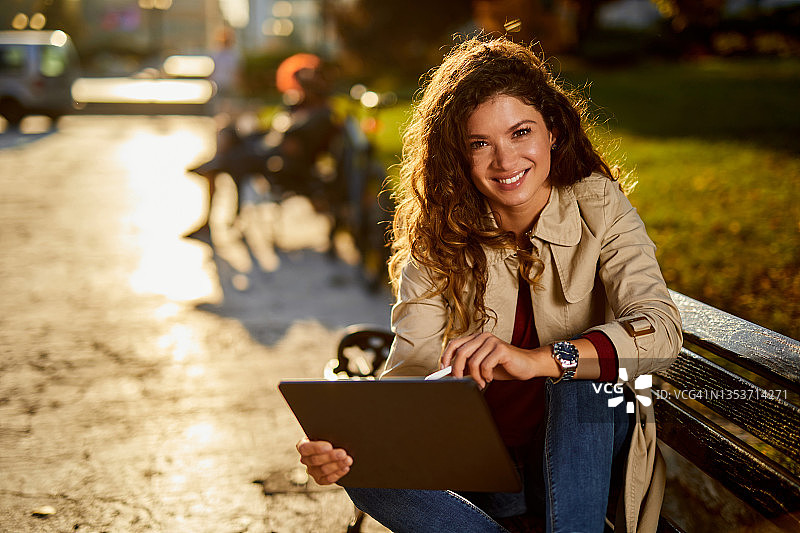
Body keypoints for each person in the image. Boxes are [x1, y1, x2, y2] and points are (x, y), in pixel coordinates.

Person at [297, 36, 682, 533]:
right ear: (460, 154)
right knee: (363, 470)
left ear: (552, 133)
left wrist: (540, 361)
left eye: (521, 132)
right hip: (484, 473)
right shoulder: (437, 233)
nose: (505, 161)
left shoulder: (600, 207)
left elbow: (661, 328)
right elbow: (413, 369)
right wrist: (355, 446)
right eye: (481, 143)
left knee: (581, 383)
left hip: (582, 463)